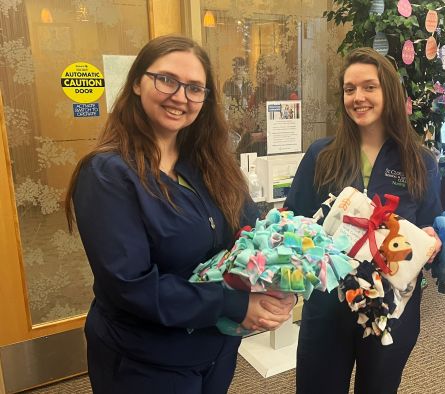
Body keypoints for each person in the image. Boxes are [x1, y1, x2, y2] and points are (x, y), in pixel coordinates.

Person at [64, 35, 295, 394]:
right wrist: (235, 304)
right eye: (167, 80)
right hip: (146, 361)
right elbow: (132, 286)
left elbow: (253, 231)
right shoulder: (108, 174)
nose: (180, 97)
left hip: (213, 351)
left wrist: (284, 282)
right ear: (138, 82)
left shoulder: (210, 165)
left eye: (195, 88)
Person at [285, 47, 443, 393]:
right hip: (327, 308)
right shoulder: (321, 155)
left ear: (388, 90)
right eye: (349, 89)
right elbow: (294, 221)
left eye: (369, 87)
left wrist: (432, 241)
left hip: (390, 312)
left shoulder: (420, 162)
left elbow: (433, 227)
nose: (358, 97)